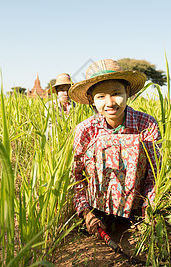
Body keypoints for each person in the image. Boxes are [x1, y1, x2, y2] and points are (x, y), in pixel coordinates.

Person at [68, 59, 161, 236]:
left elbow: (154, 173)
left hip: (138, 209)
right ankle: (103, 216)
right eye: (101, 96)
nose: (110, 103)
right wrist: (86, 213)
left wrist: (150, 210)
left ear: (127, 92)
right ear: (91, 100)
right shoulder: (85, 130)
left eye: (116, 93)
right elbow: (77, 178)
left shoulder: (146, 123)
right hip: (98, 209)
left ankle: (135, 215)